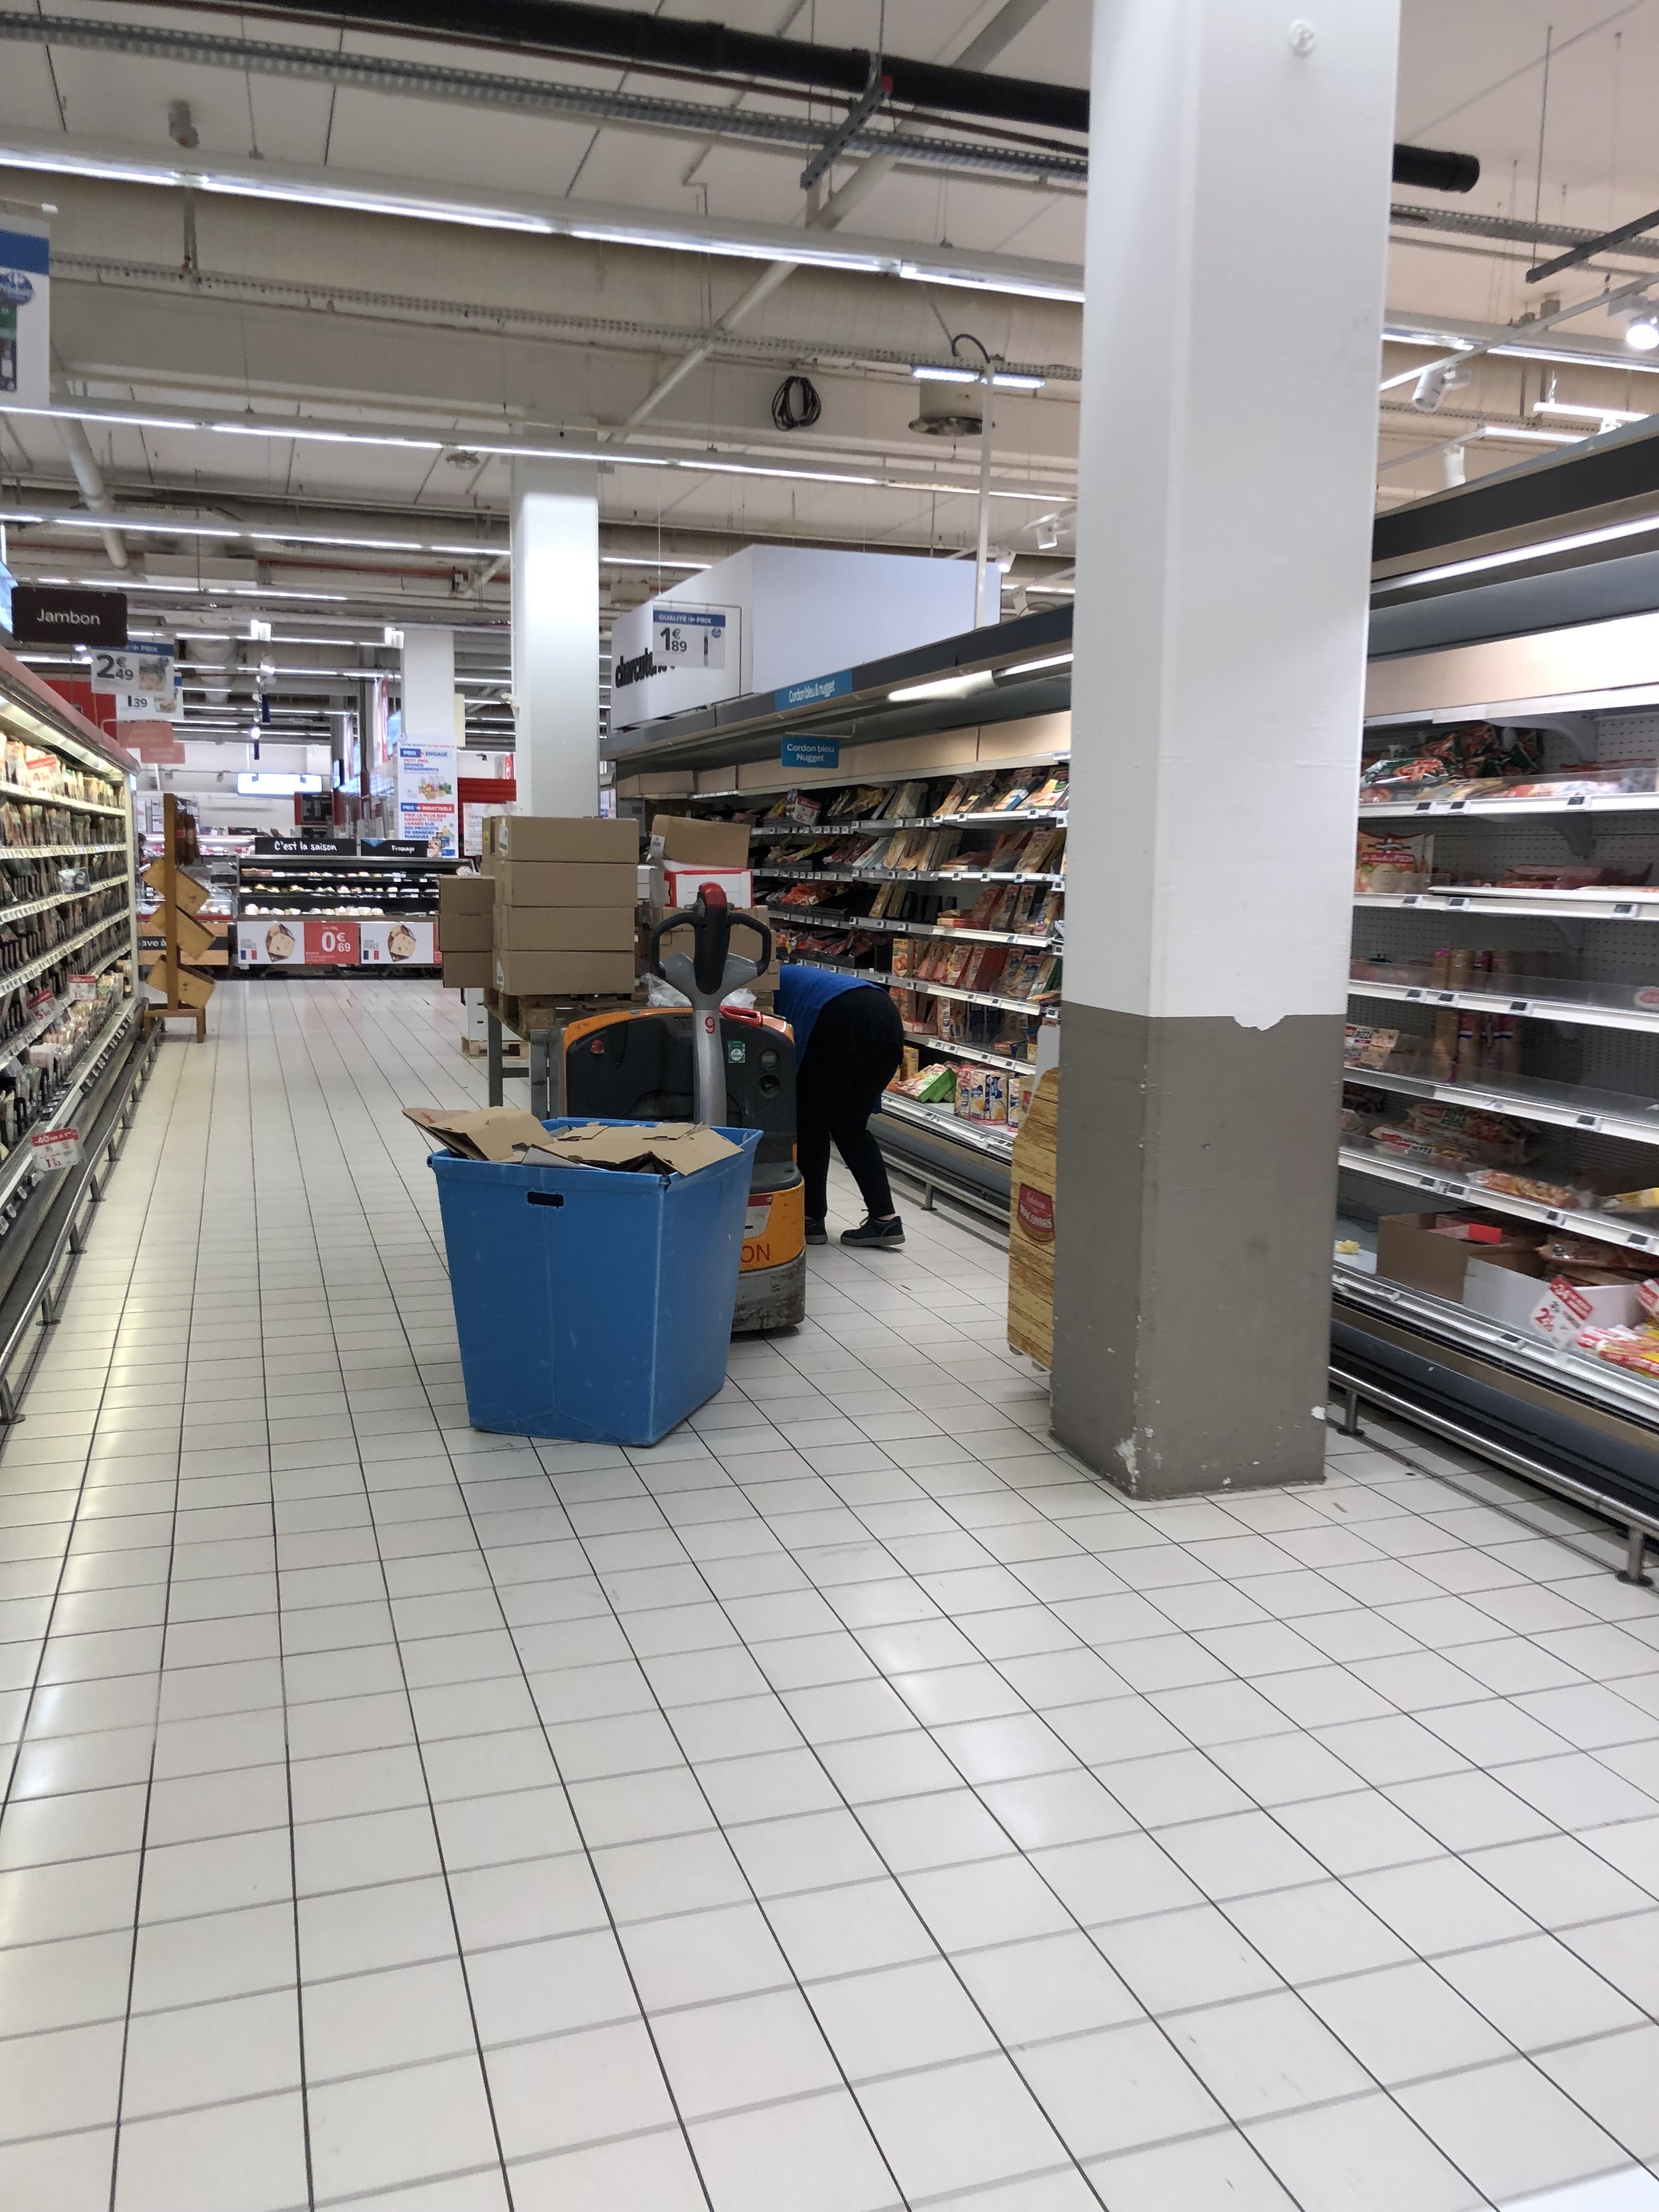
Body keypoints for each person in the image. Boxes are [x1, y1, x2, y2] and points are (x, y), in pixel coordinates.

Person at [775, 963, 906, 1247]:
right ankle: (885, 1220)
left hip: (839, 1018)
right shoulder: (783, 974)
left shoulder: (763, 987)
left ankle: (810, 1219)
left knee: (810, 1123)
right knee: (851, 1126)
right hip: (887, 1016)